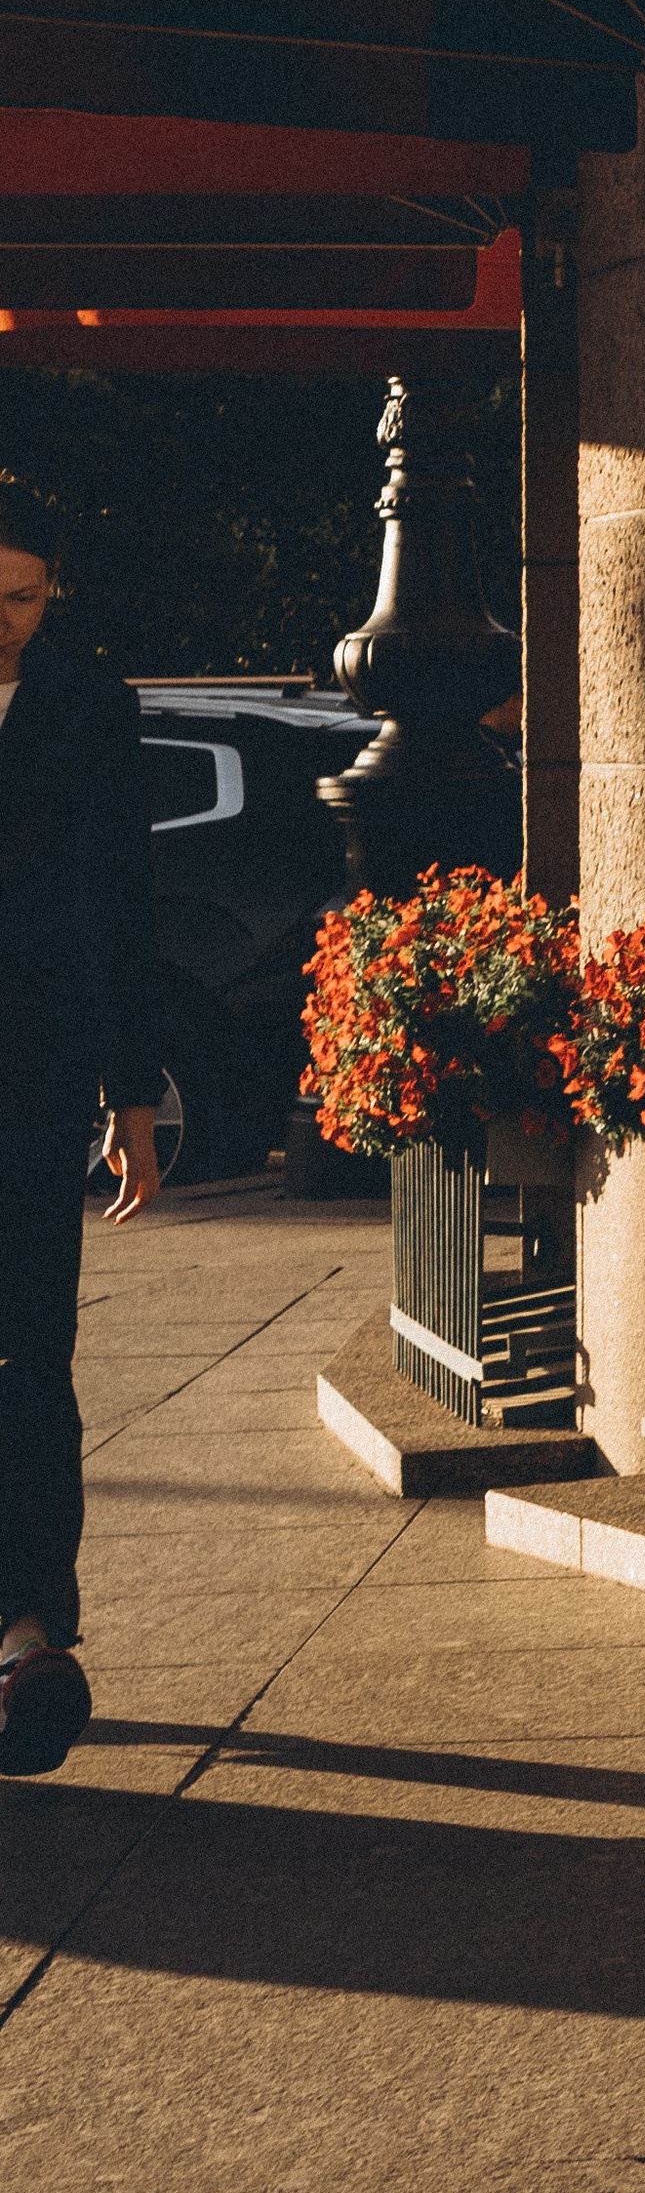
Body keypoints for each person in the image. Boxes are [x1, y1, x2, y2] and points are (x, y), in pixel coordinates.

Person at [0, 475, 166, 1778]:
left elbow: (122, 906)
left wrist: (131, 1100)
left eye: (22, 597)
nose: (4, 621)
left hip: (33, 1084)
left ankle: (30, 1633)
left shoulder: (88, 709)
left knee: (30, 1361)